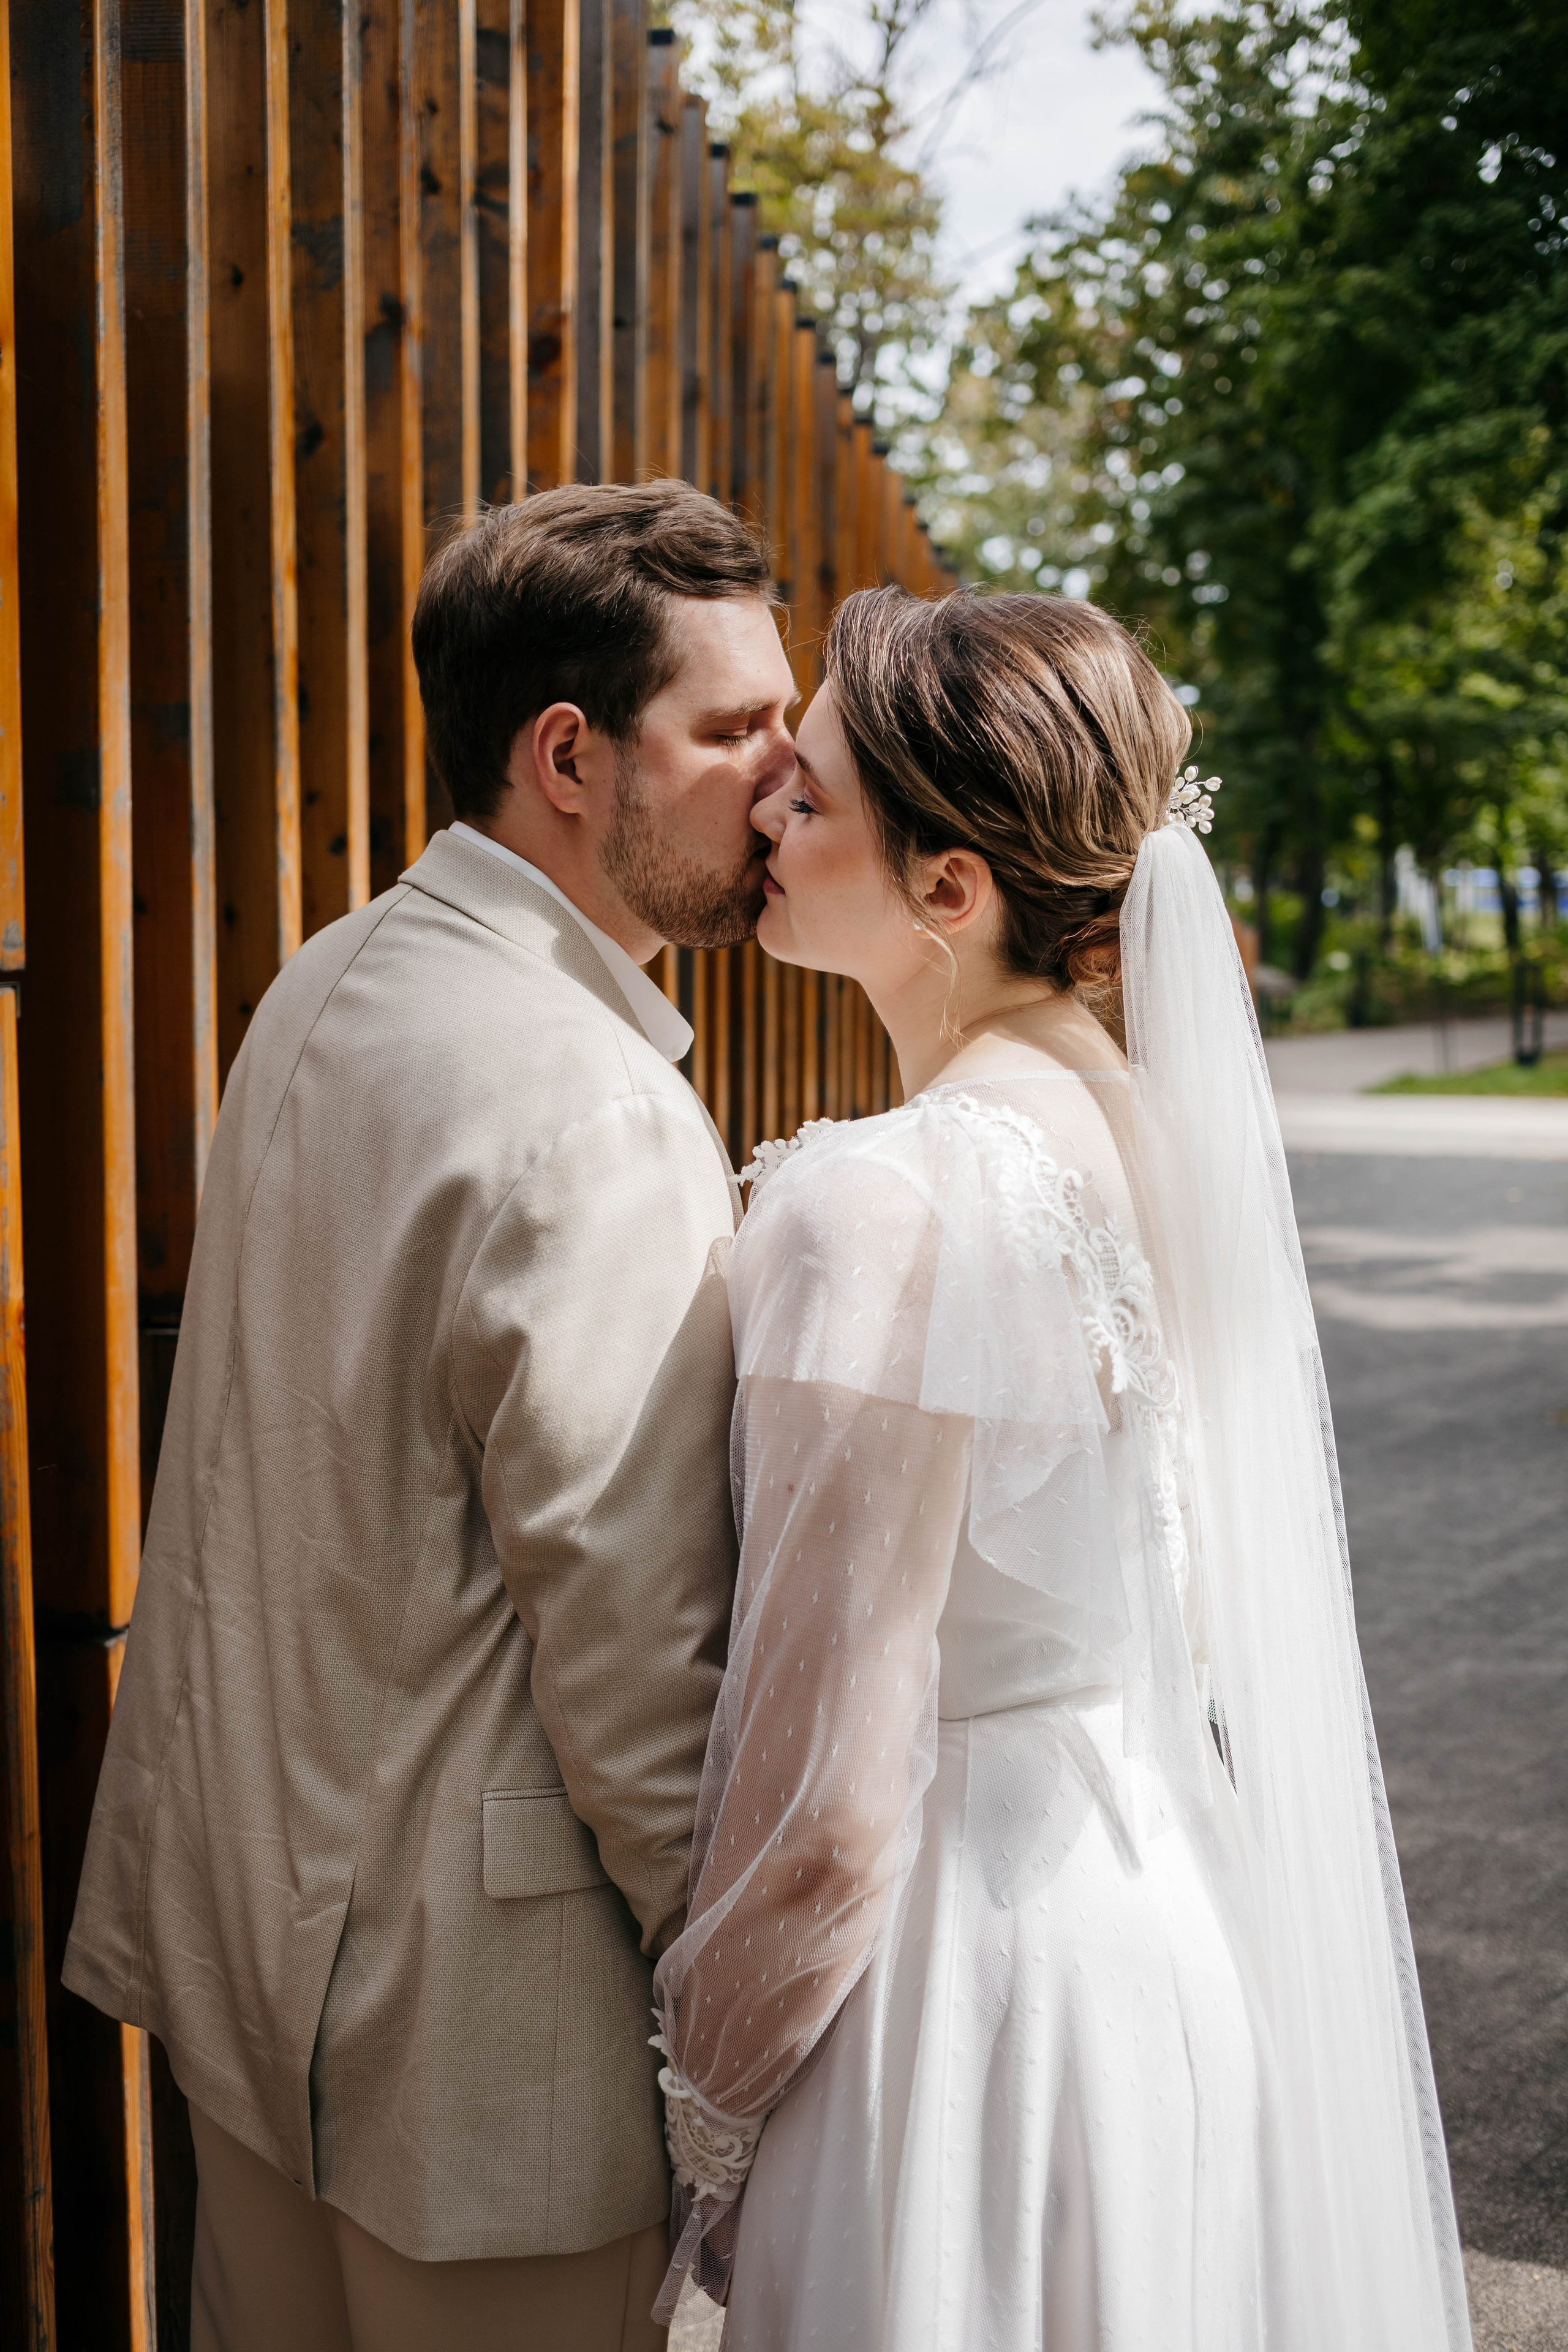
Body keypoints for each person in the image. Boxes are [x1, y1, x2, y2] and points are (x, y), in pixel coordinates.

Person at [650, 587, 1473, 2350]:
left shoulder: (877, 1198)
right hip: (1168, 1944)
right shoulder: (1158, 1145)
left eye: (817, 799)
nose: (768, 814)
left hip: (961, 2014)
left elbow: (829, 1784)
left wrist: (701, 2116)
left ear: (953, 890)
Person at [62, 482, 797, 2352]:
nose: (788, 781)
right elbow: (647, 1676)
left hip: (251, 1970)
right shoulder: (602, 1112)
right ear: (569, 755)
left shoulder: (324, 979)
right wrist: (753, 2055)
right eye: (733, 730)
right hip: (481, 2057)